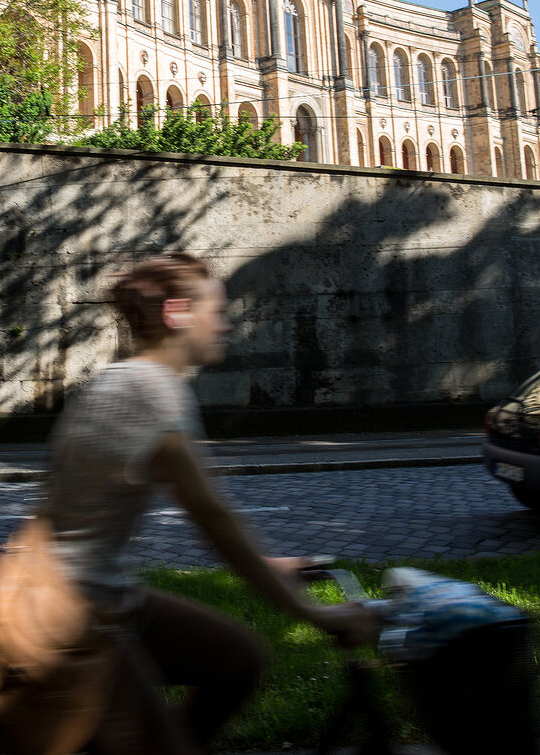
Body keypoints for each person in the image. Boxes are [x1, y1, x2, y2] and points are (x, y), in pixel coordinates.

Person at [46, 253, 372, 755]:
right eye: (217, 312)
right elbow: (212, 515)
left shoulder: (130, 381)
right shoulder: (151, 390)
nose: (225, 324)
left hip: (95, 595)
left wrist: (263, 563)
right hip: (74, 618)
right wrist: (316, 615)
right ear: (178, 314)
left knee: (238, 659)